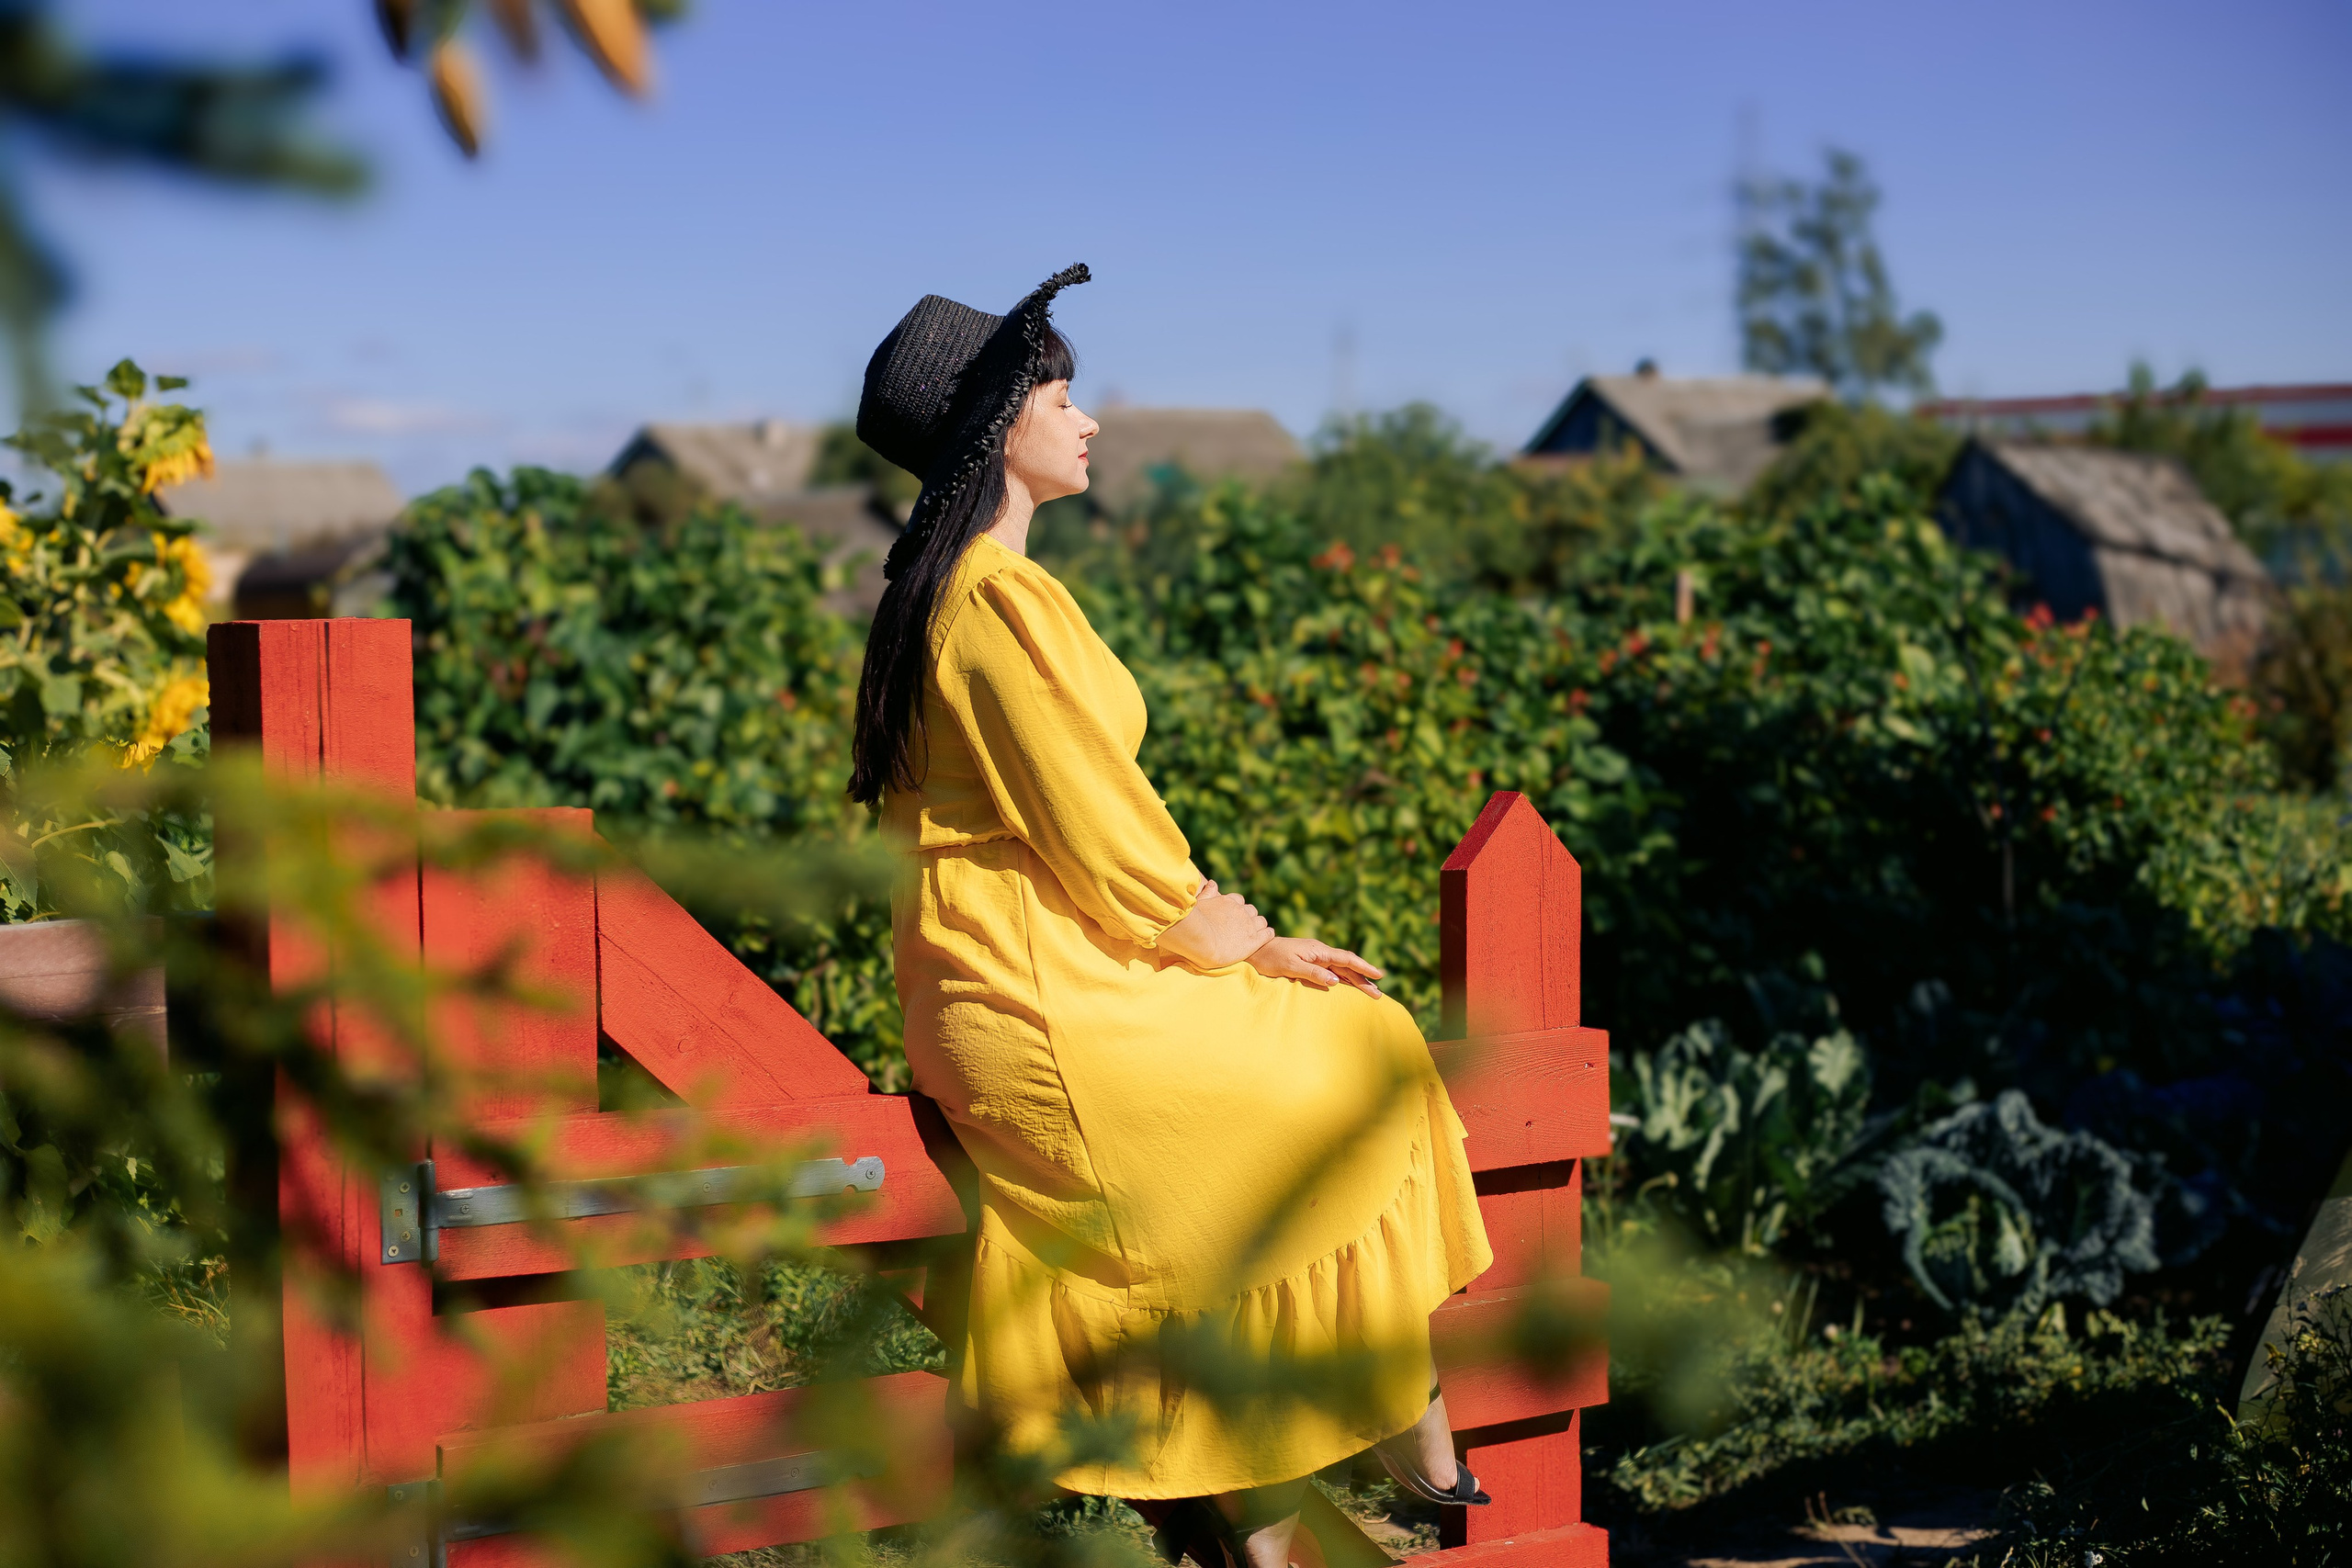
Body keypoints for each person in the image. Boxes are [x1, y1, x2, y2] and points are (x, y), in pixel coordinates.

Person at [848, 265, 1493, 1568]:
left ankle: (1296, 1498)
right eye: (1064, 396)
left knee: (1292, 1108)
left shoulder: (949, 596)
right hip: (1047, 997)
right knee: (1354, 1049)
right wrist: (1237, 937)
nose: (1088, 420)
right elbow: (1098, 817)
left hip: (1016, 976)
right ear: (1000, 432)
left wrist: (1223, 944)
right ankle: (1400, 1413)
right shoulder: (995, 599)